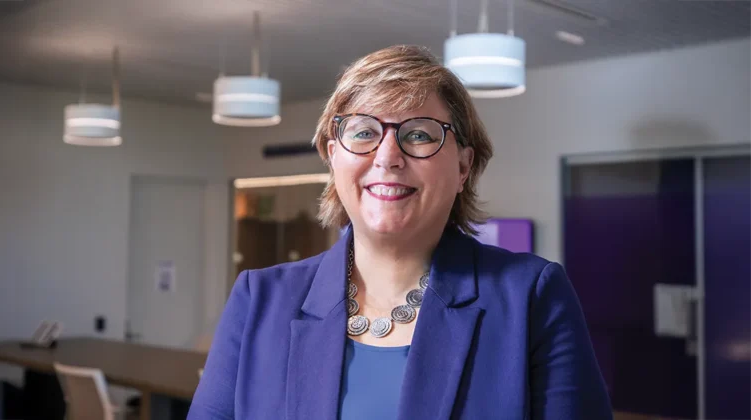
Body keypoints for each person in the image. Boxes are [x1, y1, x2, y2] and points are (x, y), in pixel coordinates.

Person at [188, 45, 612, 420]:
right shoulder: (258, 300)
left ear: (463, 167)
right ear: (334, 159)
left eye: (419, 134)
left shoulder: (532, 298)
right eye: (364, 133)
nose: (388, 156)